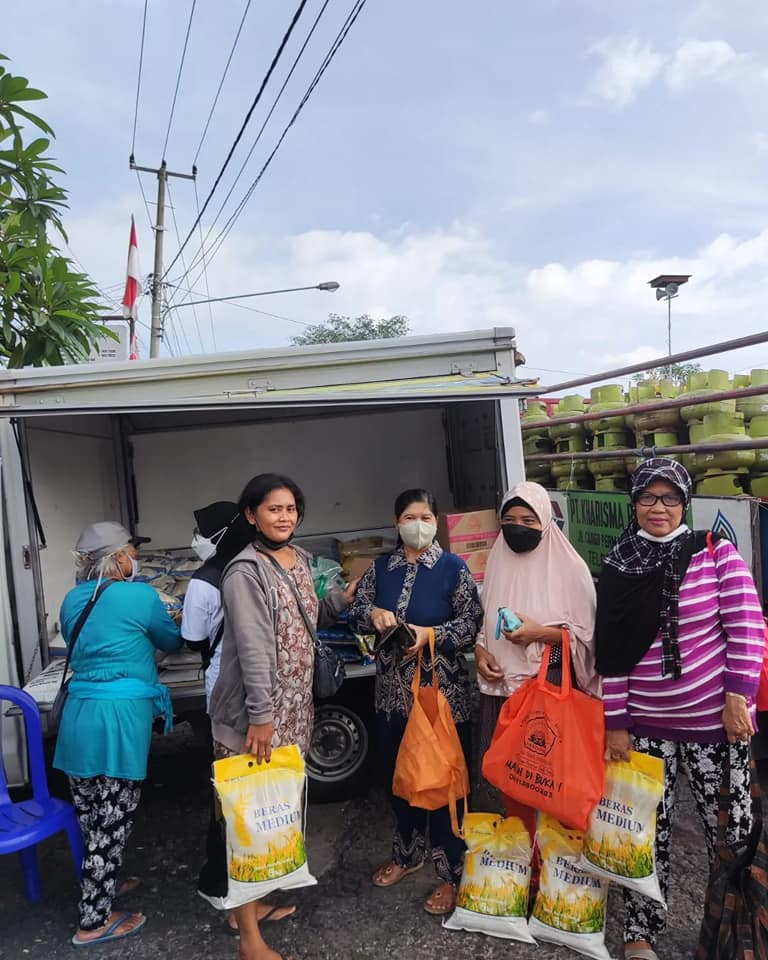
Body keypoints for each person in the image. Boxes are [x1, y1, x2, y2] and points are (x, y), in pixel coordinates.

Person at [596, 458, 765, 960]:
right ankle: (641, 932)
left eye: (670, 497)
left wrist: (738, 698)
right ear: (634, 503)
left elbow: (747, 626)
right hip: (645, 728)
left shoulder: (714, 553)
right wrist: (616, 722)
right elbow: (612, 654)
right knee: (642, 833)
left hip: (715, 726)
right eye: (648, 496)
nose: (659, 507)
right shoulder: (619, 564)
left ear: (684, 503)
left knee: (733, 833)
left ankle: (736, 932)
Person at [205, 473, 357, 960]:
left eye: (291, 509)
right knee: (243, 827)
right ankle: (249, 940)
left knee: (271, 819)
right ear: (252, 515)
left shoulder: (301, 560)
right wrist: (261, 717)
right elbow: (253, 649)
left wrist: (342, 599)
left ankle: (252, 906)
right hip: (254, 718)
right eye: (274, 509)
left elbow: (308, 619)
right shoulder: (244, 571)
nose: (284, 517)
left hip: (294, 714)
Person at [348, 488, 483, 916]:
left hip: (441, 698)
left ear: (436, 521)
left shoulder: (452, 568)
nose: (418, 525)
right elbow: (354, 612)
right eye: (409, 517)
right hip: (391, 697)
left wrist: (432, 635)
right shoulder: (380, 568)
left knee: (444, 784)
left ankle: (452, 873)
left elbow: (472, 622)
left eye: (425, 517)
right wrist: (372, 615)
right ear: (396, 523)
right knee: (399, 778)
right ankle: (407, 854)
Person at [53, 521, 182, 948]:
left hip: (79, 715)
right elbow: (172, 640)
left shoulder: (72, 598)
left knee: (92, 815)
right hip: (117, 721)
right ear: (118, 558)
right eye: (131, 552)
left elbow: (81, 640)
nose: (134, 559)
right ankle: (93, 921)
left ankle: (103, 879)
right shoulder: (140, 596)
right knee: (112, 821)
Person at [474, 481, 598, 852]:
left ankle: (558, 866)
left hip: (547, 696)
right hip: (502, 694)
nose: (518, 527)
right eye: (509, 519)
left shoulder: (569, 568)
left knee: (552, 785)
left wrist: (539, 633)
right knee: (514, 785)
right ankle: (524, 865)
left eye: (529, 520)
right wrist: (481, 652)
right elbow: (487, 618)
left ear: (545, 522)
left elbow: (587, 638)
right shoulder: (498, 559)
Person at [182, 500, 253, 709]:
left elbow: (194, 640)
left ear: (220, 534)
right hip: (266, 676)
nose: (197, 537)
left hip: (226, 681)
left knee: (230, 730)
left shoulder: (204, 581)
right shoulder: (260, 565)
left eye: (201, 532)